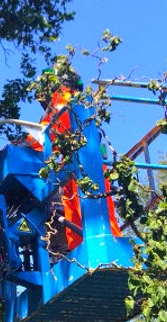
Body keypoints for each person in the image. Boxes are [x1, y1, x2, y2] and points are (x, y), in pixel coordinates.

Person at [28, 67, 121, 252]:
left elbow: (44, 137)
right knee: (78, 215)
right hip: (74, 169)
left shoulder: (65, 102)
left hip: (86, 169)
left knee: (95, 216)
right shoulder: (71, 103)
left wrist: (20, 146)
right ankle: (85, 251)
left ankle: (107, 251)